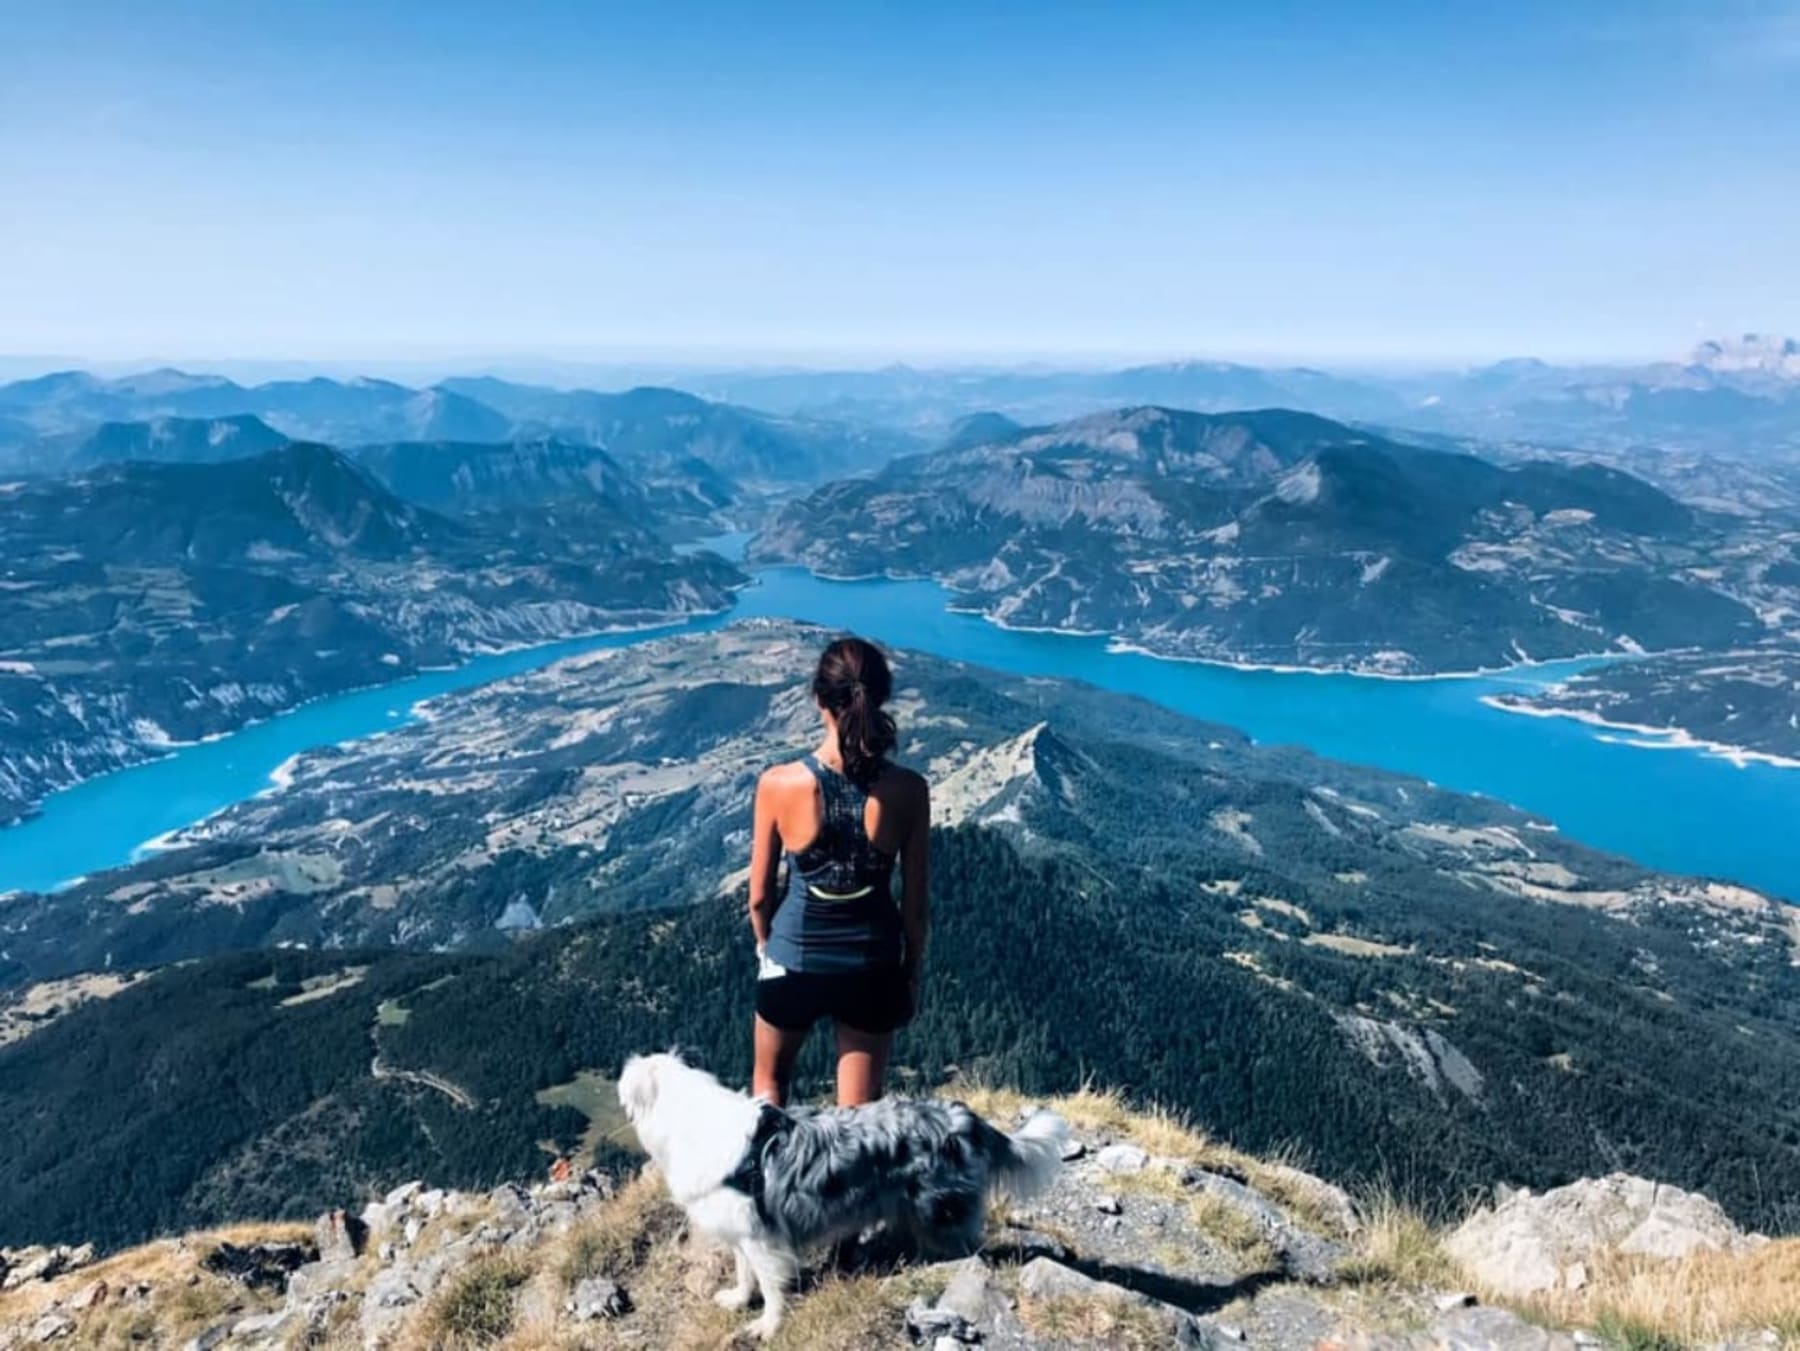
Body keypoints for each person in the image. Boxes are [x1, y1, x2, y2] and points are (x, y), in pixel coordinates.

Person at [748, 636, 930, 1107]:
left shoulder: (778, 784)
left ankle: (766, 1179)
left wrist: (769, 946)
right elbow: (915, 905)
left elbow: (759, 897)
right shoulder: (909, 790)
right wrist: (910, 970)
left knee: (769, 1088)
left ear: (817, 700)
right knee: (859, 1117)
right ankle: (853, 1183)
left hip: (794, 956)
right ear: (881, 697)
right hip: (872, 966)